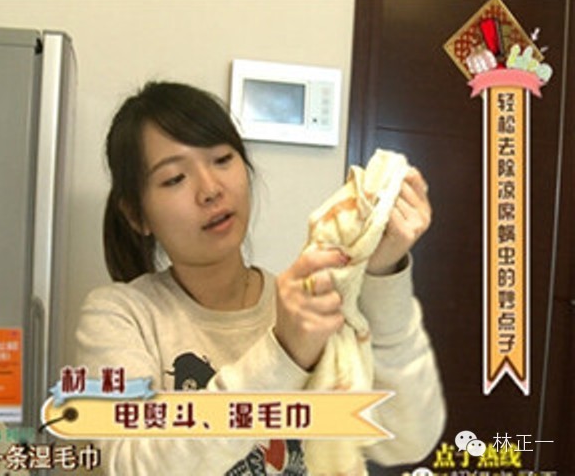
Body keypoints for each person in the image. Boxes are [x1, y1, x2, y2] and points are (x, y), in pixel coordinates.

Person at [75, 81, 445, 475]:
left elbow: (408, 438)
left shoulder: (307, 305)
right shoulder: (120, 316)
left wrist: (383, 275)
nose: (210, 189)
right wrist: (283, 351)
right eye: (174, 179)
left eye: (222, 159)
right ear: (137, 215)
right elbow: (132, 466)